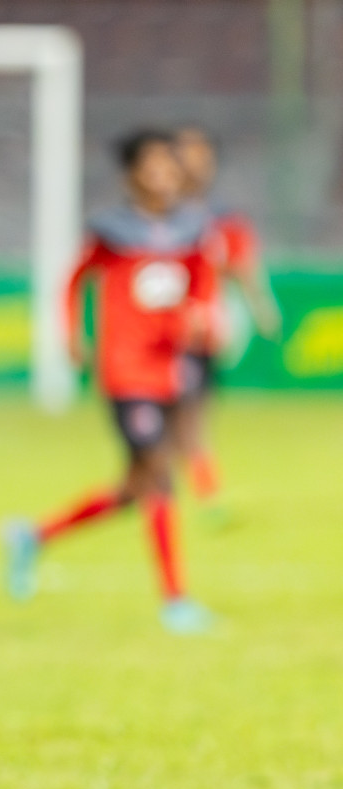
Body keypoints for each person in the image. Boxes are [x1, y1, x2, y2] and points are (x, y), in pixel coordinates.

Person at [3, 129, 217, 634]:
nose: (164, 175)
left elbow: (203, 282)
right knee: (160, 472)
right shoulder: (112, 231)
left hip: (168, 370)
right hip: (125, 371)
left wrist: (200, 314)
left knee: (135, 487)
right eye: (153, 165)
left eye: (170, 165)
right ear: (133, 175)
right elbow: (75, 279)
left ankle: (34, 535)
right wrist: (75, 332)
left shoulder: (191, 229)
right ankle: (175, 600)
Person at [171, 124, 281, 516]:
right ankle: (201, 493)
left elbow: (243, 266)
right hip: (162, 335)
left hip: (202, 335)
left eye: (202, 156)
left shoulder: (221, 218)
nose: (194, 165)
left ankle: (195, 492)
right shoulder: (153, 219)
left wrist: (262, 308)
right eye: (185, 154)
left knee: (192, 416)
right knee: (177, 418)